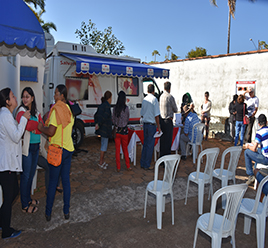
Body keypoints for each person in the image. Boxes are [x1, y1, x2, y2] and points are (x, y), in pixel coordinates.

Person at [38, 84, 74, 221]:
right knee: (66, 181)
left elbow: (51, 131)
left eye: (56, 93)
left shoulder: (56, 110)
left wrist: (41, 127)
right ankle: (66, 212)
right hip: (68, 149)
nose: (54, 96)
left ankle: (48, 213)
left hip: (57, 150)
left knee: (52, 182)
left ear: (62, 96)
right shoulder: (68, 110)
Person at [0, 87, 30, 239]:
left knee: (13, 194)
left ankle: (2, 221)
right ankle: (6, 231)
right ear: (7, 101)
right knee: (10, 195)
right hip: (6, 165)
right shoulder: (5, 115)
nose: (16, 98)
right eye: (12, 96)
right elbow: (17, 136)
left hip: (7, 163)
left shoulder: (6, 115)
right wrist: (24, 118)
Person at [16, 87, 43, 213]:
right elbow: (27, 126)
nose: (25, 99)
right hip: (27, 148)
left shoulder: (36, 112)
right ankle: (24, 205)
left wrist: (35, 127)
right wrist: (35, 126)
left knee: (31, 175)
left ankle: (28, 198)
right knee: (26, 176)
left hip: (36, 146)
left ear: (32, 98)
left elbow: (41, 127)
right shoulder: (21, 111)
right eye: (23, 96)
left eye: (27, 96)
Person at [140, 84, 161, 170]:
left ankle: (143, 162)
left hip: (145, 124)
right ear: (153, 91)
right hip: (152, 125)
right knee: (150, 145)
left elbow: (141, 114)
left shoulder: (144, 100)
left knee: (145, 144)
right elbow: (156, 115)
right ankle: (147, 164)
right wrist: (159, 127)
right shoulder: (154, 99)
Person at [244, 114, 268, 185]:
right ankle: (255, 171)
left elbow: (254, 149)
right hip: (265, 153)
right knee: (258, 150)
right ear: (266, 122)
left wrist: (248, 146)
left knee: (247, 152)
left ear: (258, 124)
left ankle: (251, 174)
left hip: (266, 158)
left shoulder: (259, 132)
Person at [112, 91, 132, 172]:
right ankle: (128, 166)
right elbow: (127, 119)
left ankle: (118, 167)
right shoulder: (126, 108)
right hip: (124, 131)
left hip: (117, 131)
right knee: (125, 149)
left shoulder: (114, 108)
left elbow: (113, 119)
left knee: (117, 150)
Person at [94, 91, 113, 169]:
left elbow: (96, 115)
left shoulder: (102, 105)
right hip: (105, 129)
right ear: (109, 98)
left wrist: (97, 123)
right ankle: (101, 162)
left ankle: (103, 161)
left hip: (102, 129)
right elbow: (104, 117)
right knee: (104, 146)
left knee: (104, 145)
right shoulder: (107, 106)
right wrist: (99, 124)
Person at [159, 81, 178, 157]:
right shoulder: (170, 97)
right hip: (168, 120)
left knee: (162, 140)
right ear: (170, 88)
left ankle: (161, 158)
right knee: (168, 141)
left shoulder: (161, 96)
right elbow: (176, 109)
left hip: (161, 120)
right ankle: (166, 159)